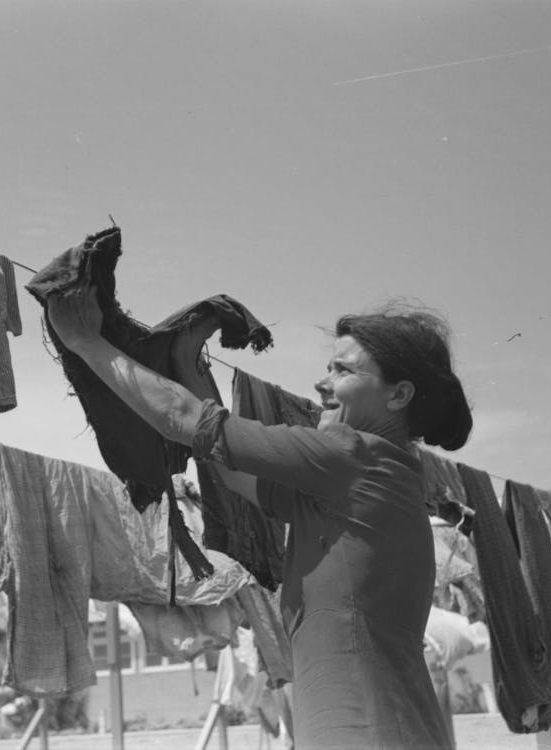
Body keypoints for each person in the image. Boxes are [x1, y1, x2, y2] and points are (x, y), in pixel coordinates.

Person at [48, 287, 472, 749]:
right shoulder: (378, 479)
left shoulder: (353, 457)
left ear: (399, 395)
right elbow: (232, 474)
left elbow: (181, 416)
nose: (322, 384)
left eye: (344, 370)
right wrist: (189, 363)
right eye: (329, 367)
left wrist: (82, 339)